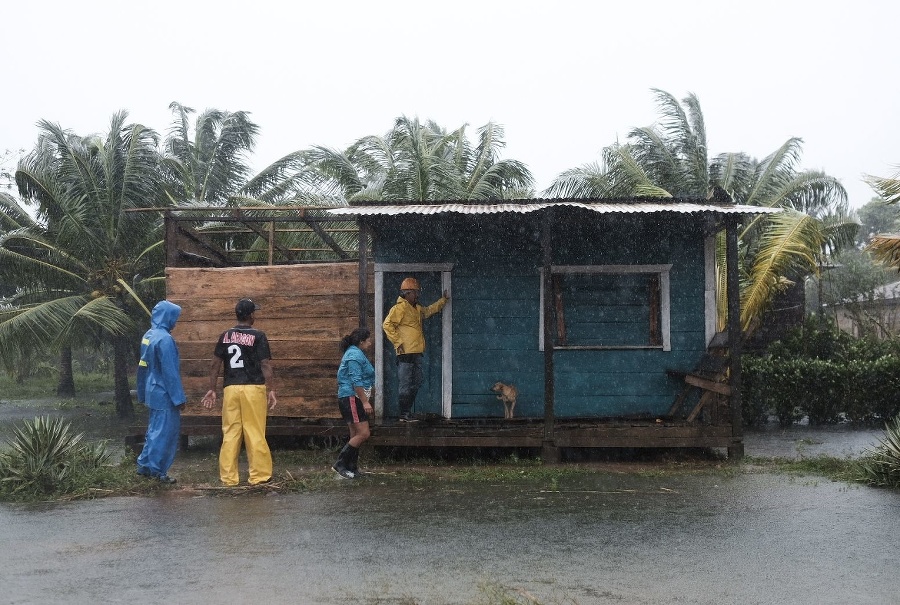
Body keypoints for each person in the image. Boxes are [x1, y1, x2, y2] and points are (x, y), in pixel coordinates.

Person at [201, 298, 277, 486]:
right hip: (253, 388)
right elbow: (265, 363)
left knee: (231, 432)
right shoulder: (258, 336)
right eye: (254, 313)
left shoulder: (224, 336)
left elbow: (215, 364)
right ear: (251, 315)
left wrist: (212, 388)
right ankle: (259, 476)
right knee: (254, 431)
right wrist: (272, 389)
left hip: (231, 388)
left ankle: (228, 478)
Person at [382, 277, 449, 422]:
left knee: (417, 382)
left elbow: (429, 310)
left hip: (417, 352)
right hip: (405, 352)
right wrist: (398, 342)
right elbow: (387, 325)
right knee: (405, 384)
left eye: (417, 292)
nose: (417, 295)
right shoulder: (399, 308)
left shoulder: (417, 308)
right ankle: (404, 414)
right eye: (415, 292)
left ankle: (406, 412)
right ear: (407, 293)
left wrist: (443, 301)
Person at [136, 300, 187, 484]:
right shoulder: (165, 339)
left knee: (153, 430)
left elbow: (142, 365)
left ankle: (145, 465)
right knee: (165, 433)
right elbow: (170, 372)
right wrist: (178, 398)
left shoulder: (148, 335)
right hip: (164, 394)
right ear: (168, 317)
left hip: (152, 390)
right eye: (175, 317)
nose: (175, 322)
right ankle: (158, 471)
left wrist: (141, 391)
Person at [332, 327, 376, 479]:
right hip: (352, 397)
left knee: (355, 434)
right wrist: (365, 402)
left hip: (350, 397)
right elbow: (356, 380)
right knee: (364, 433)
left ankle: (352, 468)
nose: (370, 343)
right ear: (361, 341)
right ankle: (340, 464)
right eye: (368, 340)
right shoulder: (354, 355)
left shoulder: (354, 353)